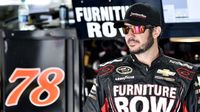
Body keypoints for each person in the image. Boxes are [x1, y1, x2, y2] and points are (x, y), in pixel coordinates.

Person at [83, 3, 200, 112]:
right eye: (126, 29)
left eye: (137, 28)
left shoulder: (186, 75)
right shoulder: (107, 74)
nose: (130, 35)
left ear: (155, 32)